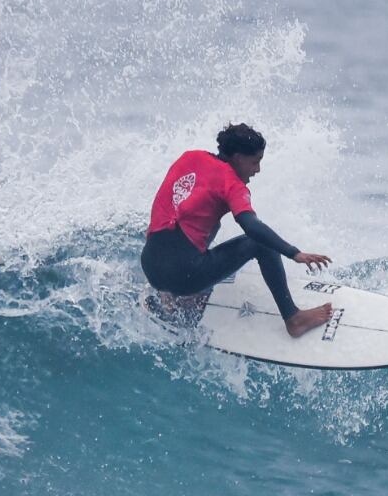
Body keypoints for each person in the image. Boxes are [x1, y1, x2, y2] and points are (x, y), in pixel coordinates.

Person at [141, 124, 335, 338]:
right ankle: (293, 318)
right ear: (237, 158)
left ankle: (172, 297)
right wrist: (294, 253)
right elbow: (251, 227)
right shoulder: (231, 184)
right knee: (260, 242)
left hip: (150, 266)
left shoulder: (190, 157)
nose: (257, 170)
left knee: (195, 215)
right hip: (183, 277)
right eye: (255, 162)